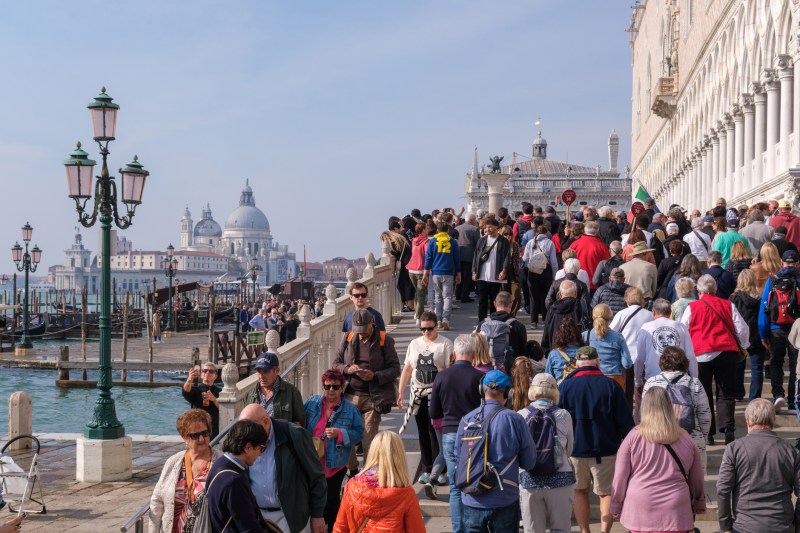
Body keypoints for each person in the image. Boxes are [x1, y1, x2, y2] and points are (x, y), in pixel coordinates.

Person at [559, 346, 634, 533]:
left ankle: (585, 531)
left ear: (576, 364)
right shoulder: (611, 385)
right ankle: (604, 531)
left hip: (575, 450)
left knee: (579, 492)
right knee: (606, 494)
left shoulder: (565, 386)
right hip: (606, 449)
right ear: (597, 362)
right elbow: (625, 422)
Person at [610, 387, 706, 533]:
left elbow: (620, 476)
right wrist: (699, 501)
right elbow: (696, 475)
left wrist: (616, 504)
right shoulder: (685, 437)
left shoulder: (633, 437)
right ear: (669, 406)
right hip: (676, 506)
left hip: (641, 503)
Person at [455, 370, 537, 532]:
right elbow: (530, 462)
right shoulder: (514, 419)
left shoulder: (466, 420)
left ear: (481, 390)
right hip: (504, 498)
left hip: (471, 497)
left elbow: (457, 457)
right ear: (508, 392)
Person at [681, 274, 750, 445]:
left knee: (703, 394)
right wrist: (744, 345)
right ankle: (728, 430)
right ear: (716, 289)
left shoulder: (692, 307)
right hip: (726, 351)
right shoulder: (728, 304)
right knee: (726, 393)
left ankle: (708, 433)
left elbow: (683, 329)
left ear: (698, 290)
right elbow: (742, 328)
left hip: (701, 354)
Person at [240, 404, 327, 533]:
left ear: (265, 422)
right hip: (257, 518)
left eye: (251, 429)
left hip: (290, 519)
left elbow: (317, 476)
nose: (246, 434)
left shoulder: (294, 435)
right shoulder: (244, 438)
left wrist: (318, 515)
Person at [428, 334, 485, 533]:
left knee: (454, 487)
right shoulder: (479, 377)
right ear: (474, 354)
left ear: (454, 354)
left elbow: (433, 412)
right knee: (474, 483)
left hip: (450, 432)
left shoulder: (442, 376)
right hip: (474, 436)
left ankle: (458, 529)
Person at [717, 399, 800, 533]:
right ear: (773, 420)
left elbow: (722, 490)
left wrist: (726, 526)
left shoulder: (734, 449)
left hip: (745, 526)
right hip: (782, 525)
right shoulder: (791, 452)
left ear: (747, 420)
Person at [332, 308, 400, 469]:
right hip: (350, 394)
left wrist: (375, 375)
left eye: (364, 330)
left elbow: (395, 369)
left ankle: (368, 474)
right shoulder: (348, 338)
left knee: (369, 440)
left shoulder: (385, 340)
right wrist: (348, 369)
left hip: (373, 396)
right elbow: (336, 363)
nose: (361, 334)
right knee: (344, 436)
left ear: (372, 324)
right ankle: (353, 469)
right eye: (358, 331)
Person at [396, 311, 453, 490]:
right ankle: (427, 467)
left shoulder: (445, 344)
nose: (426, 333)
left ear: (436, 326)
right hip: (418, 394)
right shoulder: (414, 344)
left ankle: (440, 470)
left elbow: (450, 370)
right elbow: (407, 369)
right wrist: (400, 393)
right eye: (422, 329)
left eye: (429, 329)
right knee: (422, 431)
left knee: (436, 432)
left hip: (437, 396)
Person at [304, 369, 364, 532]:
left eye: (335, 387)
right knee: (313, 501)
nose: (331, 390)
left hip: (335, 464)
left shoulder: (350, 409)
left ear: (342, 387)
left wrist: (340, 434)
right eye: (327, 386)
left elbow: (359, 434)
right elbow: (300, 425)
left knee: (331, 502)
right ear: (323, 386)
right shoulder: (312, 403)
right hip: (312, 462)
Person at [333, 431, 425, 533]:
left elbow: (340, 528)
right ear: (399, 456)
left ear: (373, 452)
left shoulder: (352, 487)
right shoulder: (406, 494)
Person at [517, 373, 575, 533]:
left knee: (533, 530)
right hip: (561, 479)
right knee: (561, 529)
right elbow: (569, 450)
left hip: (529, 479)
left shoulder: (520, 415)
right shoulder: (563, 415)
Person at [149, 409, 222, 533]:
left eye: (205, 433)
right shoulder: (173, 462)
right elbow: (157, 500)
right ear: (184, 438)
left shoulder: (220, 462)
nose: (201, 439)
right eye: (195, 435)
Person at [642, 346, 711, 467]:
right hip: (691, 440)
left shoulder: (651, 383)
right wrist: (701, 437)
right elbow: (705, 416)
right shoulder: (694, 383)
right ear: (684, 362)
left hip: (659, 442)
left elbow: (644, 415)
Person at [206, 419, 270, 533]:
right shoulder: (234, 481)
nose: (260, 454)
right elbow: (248, 528)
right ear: (248, 447)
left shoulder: (219, 464)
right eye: (261, 448)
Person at [758, 249, 800, 414]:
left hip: (776, 328)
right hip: (796, 328)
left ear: (781, 262)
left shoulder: (773, 280)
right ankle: (792, 402)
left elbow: (764, 307)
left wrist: (763, 333)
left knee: (776, 362)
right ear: (797, 264)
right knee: (795, 365)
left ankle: (777, 395)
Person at [635, 298, 697, 391]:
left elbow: (639, 358)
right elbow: (690, 356)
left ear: (653, 312)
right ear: (670, 312)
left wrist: (637, 381)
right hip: (678, 380)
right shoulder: (681, 327)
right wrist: (694, 379)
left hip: (653, 379)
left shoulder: (646, 327)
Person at [243, 352, 306, 426]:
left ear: (277, 371)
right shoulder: (249, 395)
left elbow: (301, 423)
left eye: (266, 371)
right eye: (259, 371)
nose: (261, 376)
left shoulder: (292, 392)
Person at [731, 268, 764, 402]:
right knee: (757, 369)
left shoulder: (733, 298)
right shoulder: (760, 298)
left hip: (738, 337)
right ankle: (754, 397)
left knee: (738, 367)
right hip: (756, 335)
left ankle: (738, 394)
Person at [582, 304, 631, 390]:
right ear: (609, 319)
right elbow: (627, 364)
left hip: (593, 379)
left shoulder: (586, 336)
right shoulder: (618, 337)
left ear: (593, 318)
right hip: (615, 380)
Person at [475, 291, 527, 370]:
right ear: (511, 304)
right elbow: (522, 355)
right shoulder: (518, 326)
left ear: (494, 304)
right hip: (508, 370)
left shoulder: (482, 324)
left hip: (485, 369)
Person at [423, 221, 461, 330]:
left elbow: (428, 258)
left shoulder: (433, 241)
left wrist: (426, 273)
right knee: (448, 296)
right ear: (448, 230)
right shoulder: (452, 242)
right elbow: (457, 259)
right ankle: (446, 319)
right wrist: (459, 273)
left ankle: (438, 320)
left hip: (436, 272)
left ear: (437, 230)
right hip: (449, 272)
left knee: (438, 297)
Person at [472, 218, 511, 321]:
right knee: (482, 301)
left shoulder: (503, 241)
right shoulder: (482, 240)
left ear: (496, 228)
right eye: (486, 227)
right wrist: (474, 271)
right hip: (482, 276)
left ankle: (494, 322)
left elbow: (507, 257)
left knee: (494, 302)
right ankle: (481, 323)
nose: (487, 229)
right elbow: (476, 256)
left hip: (495, 276)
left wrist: (504, 270)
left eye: (490, 227)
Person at [523, 225, 559, 326]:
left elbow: (525, 258)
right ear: (546, 233)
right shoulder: (550, 243)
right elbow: (553, 261)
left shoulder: (531, 242)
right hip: (545, 270)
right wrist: (554, 275)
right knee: (545, 295)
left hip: (533, 270)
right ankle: (544, 319)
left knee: (533, 296)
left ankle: (533, 321)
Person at [542, 280, 591, 353]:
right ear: (575, 293)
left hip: (556, 351)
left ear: (560, 295)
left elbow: (547, 330)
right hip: (579, 352)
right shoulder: (583, 306)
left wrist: (546, 350)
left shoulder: (552, 309)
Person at [182, 362, 221, 437]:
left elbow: (225, 408)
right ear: (201, 374)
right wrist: (189, 379)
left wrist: (214, 399)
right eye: (205, 371)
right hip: (197, 428)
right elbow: (186, 391)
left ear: (215, 376)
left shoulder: (220, 392)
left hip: (214, 430)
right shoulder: (196, 390)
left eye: (211, 371)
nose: (207, 373)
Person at [569, 221, 610, 291]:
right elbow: (606, 266)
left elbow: (567, 261)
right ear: (597, 231)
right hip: (594, 284)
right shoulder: (602, 247)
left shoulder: (575, 244)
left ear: (585, 230)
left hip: (575, 282)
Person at [545, 316, 584, 382]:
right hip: (579, 387)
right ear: (577, 332)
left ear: (559, 334)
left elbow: (548, 377)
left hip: (560, 388)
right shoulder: (584, 352)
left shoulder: (554, 354)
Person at [406, 222, 429, 324]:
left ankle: (417, 313)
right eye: (426, 228)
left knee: (417, 292)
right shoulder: (426, 242)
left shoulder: (414, 240)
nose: (428, 230)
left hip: (411, 269)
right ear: (423, 230)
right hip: (420, 269)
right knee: (421, 294)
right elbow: (428, 256)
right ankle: (419, 316)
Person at [455, 214, 480, 303]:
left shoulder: (457, 228)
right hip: (469, 255)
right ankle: (464, 296)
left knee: (458, 275)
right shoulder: (474, 229)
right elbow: (478, 243)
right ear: (473, 220)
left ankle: (458, 294)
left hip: (458, 254)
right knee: (466, 277)